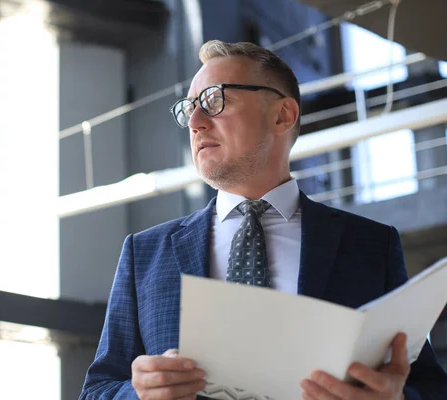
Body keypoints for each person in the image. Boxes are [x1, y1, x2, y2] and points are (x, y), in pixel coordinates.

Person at [79, 40, 447, 400]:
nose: (194, 122)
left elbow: (429, 386)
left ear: (282, 115)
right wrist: (137, 395)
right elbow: (98, 391)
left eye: (213, 100)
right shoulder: (143, 253)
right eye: (189, 107)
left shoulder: (369, 244)